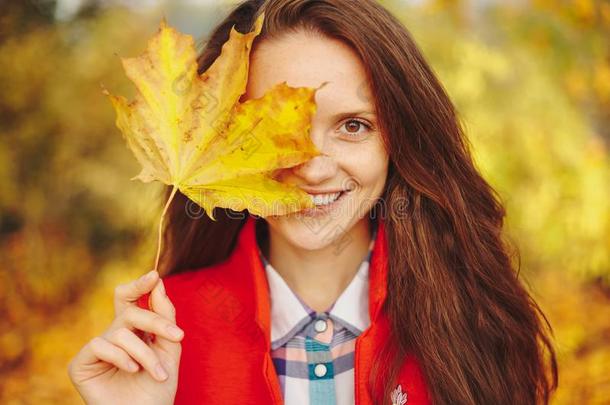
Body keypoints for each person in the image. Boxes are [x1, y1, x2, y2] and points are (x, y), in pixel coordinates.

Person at [67, 0, 559, 404]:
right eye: (278, 131)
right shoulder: (164, 338)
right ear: (218, 139)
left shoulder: (472, 318)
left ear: (399, 142)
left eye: (353, 125)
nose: (314, 167)